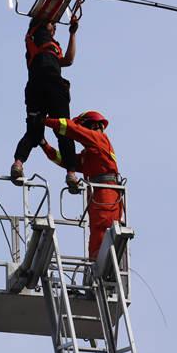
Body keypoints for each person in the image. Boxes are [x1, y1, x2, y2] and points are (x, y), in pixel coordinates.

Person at [10, 0, 80, 193]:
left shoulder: (52, 46)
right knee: (63, 130)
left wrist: (72, 33)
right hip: (49, 85)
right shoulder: (36, 31)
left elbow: (68, 61)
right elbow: (45, 9)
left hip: (38, 87)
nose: (55, 26)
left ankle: (20, 164)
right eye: (53, 24)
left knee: (38, 129)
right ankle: (70, 173)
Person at [40, 111, 123, 260]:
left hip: (106, 195)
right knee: (97, 236)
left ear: (89, 126)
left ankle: (96, 270)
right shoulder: (90, 154)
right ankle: (96, 269)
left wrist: (45, 121)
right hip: (101, 196)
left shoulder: (98, 139)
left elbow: (72, 129)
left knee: (100, 233)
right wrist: (44, 144)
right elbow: (65, 161)